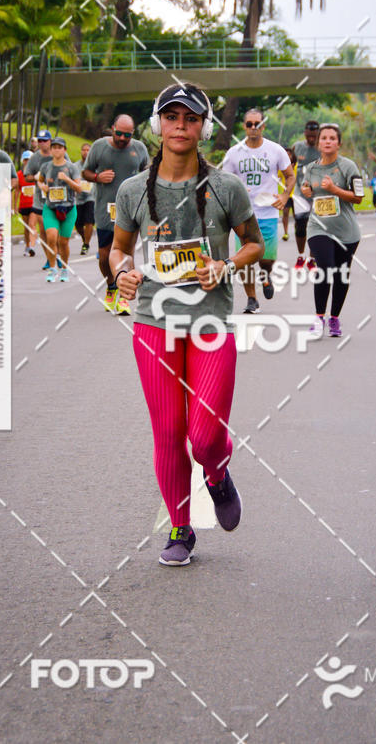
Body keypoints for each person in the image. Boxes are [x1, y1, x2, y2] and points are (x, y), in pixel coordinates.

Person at [110, 83, 263, 566]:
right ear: (158, 124)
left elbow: (254, 243)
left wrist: (226, 265)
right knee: (169, 431)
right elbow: (118, 249)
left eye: (191, 118)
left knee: (205, 436)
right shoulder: (133, 190)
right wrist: (121, 273)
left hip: (211, 323)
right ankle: (180, 527)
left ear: (204, 127)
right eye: (172, 116)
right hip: (153, 324)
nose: (180, 126)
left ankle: (217, 474)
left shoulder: (225, 187)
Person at [222, 107, 294, 312]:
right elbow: (225, 181)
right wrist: (236, 190)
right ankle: (252, 299)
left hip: (268, 213)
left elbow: (290, 176)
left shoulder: (275, 150)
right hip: (243, 215)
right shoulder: (234, 153)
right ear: (244, 127)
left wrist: (284, 196)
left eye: (257, 124)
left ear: (263, 126)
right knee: (244, 260)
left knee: (266, 260)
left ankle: (266, 274)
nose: (253, 127)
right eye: (249, 124)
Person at [301, 124, 364, 338]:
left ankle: (334, 318)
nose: (327, 141)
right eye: (324, 138)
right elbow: (308, 189)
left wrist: (335, 189)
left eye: (332, 138)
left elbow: (358, 197)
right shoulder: (310, 169)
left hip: (346, 231)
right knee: (325, 268)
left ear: (339, 143)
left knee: (340, 274)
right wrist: (307, 191)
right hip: (318, 227)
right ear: (318, 143)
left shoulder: (348, 166)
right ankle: (319, 318)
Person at [82, 114, 149, 314]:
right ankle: (111, 285)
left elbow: (147, 174)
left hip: (130, 209)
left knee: (126, 253)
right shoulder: (99, 147)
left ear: (133, 134)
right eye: (119, 133)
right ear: (113, 128)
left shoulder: (139, 149)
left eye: (127, 135)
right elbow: (85, 172)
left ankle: (124, 298)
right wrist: (97, 177)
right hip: (106, 209)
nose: (122, 138)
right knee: (104, 256)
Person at [38, 137, 82, 283]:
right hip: (50, 208)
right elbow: (39, 181)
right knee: (51, 237)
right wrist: (42, 187)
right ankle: (52, 268)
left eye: (59, 147)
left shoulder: (71, 168)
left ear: (64, 150)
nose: (57, 150)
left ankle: (64, 268)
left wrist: (67, 179)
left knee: (63, 242)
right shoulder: (46, 167)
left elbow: (79, 188)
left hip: (68, 209)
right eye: (54, 147)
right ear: (51, 150)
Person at [24, 130, 55, 270]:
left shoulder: (58, 152)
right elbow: (27, 176)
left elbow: (70, 169)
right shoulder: (35, 158)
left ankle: (57, 255)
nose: (42, 143)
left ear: (50, 141)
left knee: (55, 232)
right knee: (44, 231)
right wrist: (36, 177)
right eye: (40, 141)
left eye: (45, 140)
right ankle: (50, 258)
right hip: (40, 199)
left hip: (57, 198)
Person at [292, 119, 321, 268]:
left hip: (318, 194)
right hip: (300, 193)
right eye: (309, 135)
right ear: (305, 133)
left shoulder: (322, 149)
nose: (311, 138)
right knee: (300, 225)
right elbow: (289, 163)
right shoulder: (297, 147)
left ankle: (312, 258)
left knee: (315, 226)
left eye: (314, 136)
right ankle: (301, 255)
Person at [14, 150, 37, 256]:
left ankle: (32, 246)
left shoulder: (35, 174)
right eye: (26, 160)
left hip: (34, 204)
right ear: (22, 161)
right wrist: (14, 206)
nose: (27, 162)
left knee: (32, 225)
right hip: (24, 204)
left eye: (29, 160)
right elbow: (17, 191)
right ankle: (27, 246)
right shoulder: (19, 175)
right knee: (26, 227)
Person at [74, 142, 95, 254]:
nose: (86, 152)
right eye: (84, 150)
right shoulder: (75, 166)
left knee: (89, 221)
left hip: (91, 197)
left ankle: (86, 245)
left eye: (88, 150)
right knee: (77, 224)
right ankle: (84, 239)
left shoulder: (95, 166)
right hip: (78, 198)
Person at [279, 147, 297, 241]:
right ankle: (285, 233)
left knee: (296, 215)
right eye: (286, 154)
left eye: (289, 154)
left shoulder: (297, 167)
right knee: (285, 213)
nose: (288, 156)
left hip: (296, 195)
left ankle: (297, 230)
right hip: (286, 194)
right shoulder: (282, 168)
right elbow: (276, 176)